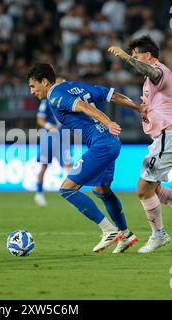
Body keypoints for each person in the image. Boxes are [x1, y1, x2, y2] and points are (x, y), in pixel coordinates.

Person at [27, 62, 145, 254]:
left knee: (67, 190)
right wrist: (138, 107)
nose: (31, 91)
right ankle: (126, 234)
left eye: (33, 86)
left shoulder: (55, 96)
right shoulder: (77, 86)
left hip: (102, 144)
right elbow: (112, 95)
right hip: (111, 142)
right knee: (101, 190)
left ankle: (109, 230)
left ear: (45, 82)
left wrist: (108, 122)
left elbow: (82, 107)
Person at [108, 35, 172, 253]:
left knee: (143, 190)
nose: (134, 59)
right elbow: (149, 105)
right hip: (163, 139)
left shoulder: (159, 71)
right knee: (154, 188)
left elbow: (151, 71)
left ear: (147, 55)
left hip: (168, 137)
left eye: (136, 55)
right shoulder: (150, 83)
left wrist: (125, 57)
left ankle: (159, 235)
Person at [34, 89, 72, 207]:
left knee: (68, 165)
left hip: (63, 137)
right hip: (49, 138)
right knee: (44, 165)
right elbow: (40, 119)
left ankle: (72, 194)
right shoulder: (46, 102)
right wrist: (49, 126)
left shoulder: (67, 101)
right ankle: (39, 193)